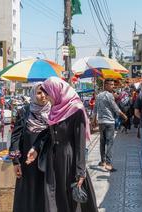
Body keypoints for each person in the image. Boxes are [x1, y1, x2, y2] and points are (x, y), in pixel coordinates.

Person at [26, 77, 98, 212]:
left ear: (56, 91)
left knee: (69, 200)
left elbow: (80, 145)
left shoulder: (76, 110)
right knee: (53, 197)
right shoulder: (55, 109)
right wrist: (35, 148)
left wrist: (80, 172)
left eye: (47, 93)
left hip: (69, 162)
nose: (46, 97)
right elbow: (48, 132)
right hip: (53, 161)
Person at [9, 82, 50, 212]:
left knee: (47, 194)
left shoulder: (54, 111)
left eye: (45, 92)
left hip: (48, 161)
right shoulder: (25, 111)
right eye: (39, 93)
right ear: (33, 94)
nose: (43, 96)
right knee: (28, 195)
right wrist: (15, 161)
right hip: (28, 162)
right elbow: (15, 137)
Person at [92, 79, 127, 171]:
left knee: (102, 142)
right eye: (111, 85)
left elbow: (95, 108)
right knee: (110, 143)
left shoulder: (98, 95)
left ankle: (102, 161)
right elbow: (115, 108)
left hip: (101, 122)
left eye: (113, 84)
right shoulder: (109, 95)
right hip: (109, 122)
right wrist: (123, 115)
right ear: (105, 85)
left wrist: (94, 119)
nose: (112, 86)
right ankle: (108, 163)